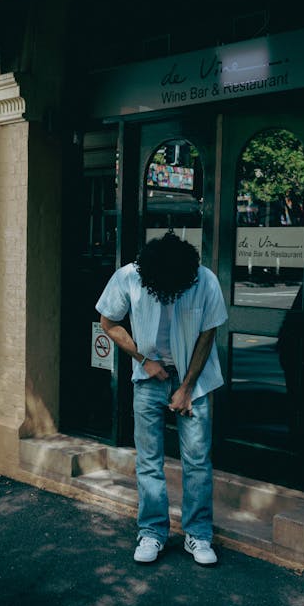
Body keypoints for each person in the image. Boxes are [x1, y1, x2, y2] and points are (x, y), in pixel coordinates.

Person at [96, 232, 227, 566]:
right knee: (149, 460)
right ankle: (152, 532)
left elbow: (208, 334)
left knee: (197, 461)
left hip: (193, 381)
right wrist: (143, 360)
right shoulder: (130, 277)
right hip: (148, 379)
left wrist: (186, 388)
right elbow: (108, 322)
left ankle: (197, 535)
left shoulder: (204, 280)